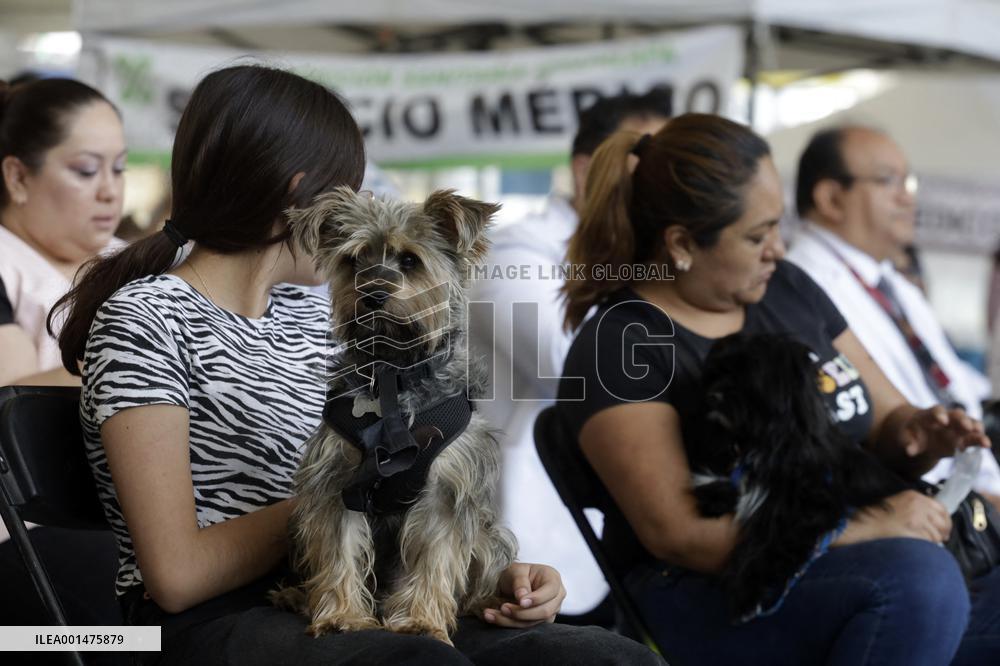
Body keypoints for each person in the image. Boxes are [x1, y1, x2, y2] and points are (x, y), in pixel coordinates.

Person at [51, 64, 662, 666]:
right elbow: (175, 578)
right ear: (299, 196)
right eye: (354, 186)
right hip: (201, 623)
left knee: (602, 657)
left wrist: (480, 564)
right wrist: (351, 491)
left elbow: (415, 491)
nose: (368, 203)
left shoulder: (317, 316)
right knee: (420, 665)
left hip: (371, 592)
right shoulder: (145, 320)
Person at [556, 113, 1000, 665]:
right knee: (919, 583)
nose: (779, 249)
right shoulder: (619, 344)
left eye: (777, 226)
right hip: (717, 588)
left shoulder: (788, 289)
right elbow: (681, 533)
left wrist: (922, 433)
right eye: (756, 236)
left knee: (924, 581)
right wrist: (867, 526)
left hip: (863, 560)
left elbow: (888, 421)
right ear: (682, 244)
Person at [469, 89, 670, 619]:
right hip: (528, 549)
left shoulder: (637, 262)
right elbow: (583, 375)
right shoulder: (514, 254)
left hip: (615, 533)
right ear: (587, 172)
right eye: (648, 164)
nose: (665, 187)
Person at [787, 126, 1000, 502]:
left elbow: (953, 384)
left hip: (973, 483)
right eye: (889, 181)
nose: (907, 197)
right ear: (831, 198)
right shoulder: (802, 284)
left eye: (908, 182)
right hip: (923, 497)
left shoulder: (890, 282)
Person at [0, 77, 127, 387]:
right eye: (86, 170)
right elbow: (11, 398)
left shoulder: (139, 260)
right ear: (18, 178)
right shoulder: (7, 264)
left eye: (119, 168)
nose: (110, 191)